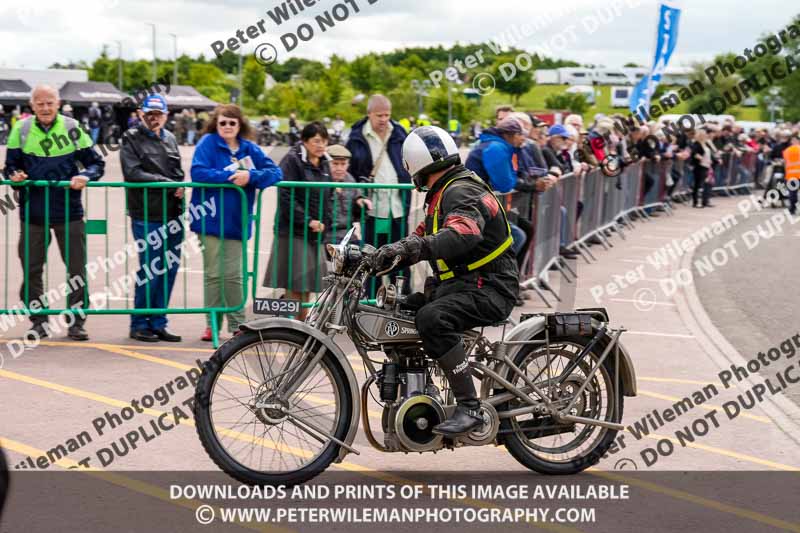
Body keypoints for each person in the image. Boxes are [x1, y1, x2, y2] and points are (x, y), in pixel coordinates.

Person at [370, 125, 519, 436]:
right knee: (405, 307)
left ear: (415, 164)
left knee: (432, 319)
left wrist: (409, 248)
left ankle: (470, 407)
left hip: (489, 286)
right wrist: (385, 253)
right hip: (466, 283)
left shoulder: (460, 191)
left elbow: (462, 232)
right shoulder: (447, 190)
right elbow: (426, 233)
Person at [4, 85, 105, 341]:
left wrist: (85, 175)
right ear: (32, 105)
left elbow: (96, 163)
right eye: (40, 103)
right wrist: (15, 177)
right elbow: (10, 168)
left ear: (58, 103)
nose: (45, 108)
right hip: (32, 214)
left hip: (69, 212)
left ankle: (76, 322)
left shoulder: (72, 127)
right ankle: (38, 322)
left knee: (76, 271)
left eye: (49, 103)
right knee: (32, 270)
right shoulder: (21, 129)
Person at [190, 104, 282, 341]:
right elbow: (198, 172)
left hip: (236, 222)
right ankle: (212, 323)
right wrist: (232, 177)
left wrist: (251, 176)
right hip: (208, 221)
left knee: (232, 275)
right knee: (213, 274)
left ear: (240, 125)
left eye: (232, 122)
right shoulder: (207, 143)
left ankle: (238, 323)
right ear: (216, 124)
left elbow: (275, 172)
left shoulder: (249, 148)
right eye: (223, 123)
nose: (227, 127)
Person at [120, 93, 185, 343]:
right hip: (146, 213)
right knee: (151, 268)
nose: (153, 118)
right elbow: (133, 173)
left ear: (166, 115)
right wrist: (169, 184)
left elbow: (177, 170)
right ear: (140, 114)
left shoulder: (169, 138)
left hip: (172, 213)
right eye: (149, 114)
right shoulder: (130, 137)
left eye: (158, 114)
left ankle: (158, 321)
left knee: (169, 269)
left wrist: (180, 185)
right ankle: (139, 323)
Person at [263, 122, 333, 320]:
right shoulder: (292, 160)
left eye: (324, 141)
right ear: (305, 141)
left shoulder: (325, 162)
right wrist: (307, 220)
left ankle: (298, 322)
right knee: (295, 282)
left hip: (316, 232)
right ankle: (291, 325)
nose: (321, 145)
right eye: (316, 141)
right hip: (293, 231)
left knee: (309, 282)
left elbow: (328, 195)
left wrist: (325, 221)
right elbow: (286, 194)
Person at [345, 94, 412, 293]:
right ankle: (369, 302)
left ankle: (400, 300)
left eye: (387, 115)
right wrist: (357, 196)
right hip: (373, 209)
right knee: (372, 258)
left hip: (398, 208)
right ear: (369, 114)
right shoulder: (356, 137)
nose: (383, 119)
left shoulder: (399, 132)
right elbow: (350, 171)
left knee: (400, 259)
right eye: (379, 115)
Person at [327, 144, 372, 242]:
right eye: (335, 163)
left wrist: (361, 201)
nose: (339, 168)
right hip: (327, 235)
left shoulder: (349, 179)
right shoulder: (321, 179)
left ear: (348, 165)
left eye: (343, 164)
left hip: (347, 234)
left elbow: (357, 196)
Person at [690, 128, 715, 208]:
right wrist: (700, 158)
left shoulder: (706, 144)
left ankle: (704, 201)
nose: (706, 136)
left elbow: (710, 152)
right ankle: (696, 202)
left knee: (705, 183)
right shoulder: (697, 144)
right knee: (698, 184)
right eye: (704, 135)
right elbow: (694, 153)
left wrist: (710, 160)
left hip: (706, 166)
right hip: (699, 166)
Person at [782, 133, 800, 215]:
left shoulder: (786, 151)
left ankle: (792, 209)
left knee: (792, 193)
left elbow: (785, 163)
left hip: (790, 175)